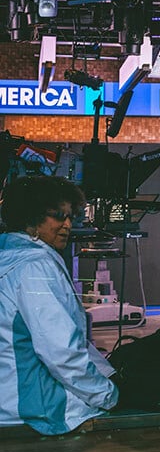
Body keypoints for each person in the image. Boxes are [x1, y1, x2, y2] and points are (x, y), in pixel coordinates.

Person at [0, 175, 119, 435]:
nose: (67, 225)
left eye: (70, 217)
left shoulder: (7, 254)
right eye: (57, 216)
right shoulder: (34, 266)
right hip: (30, 409)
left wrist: (106, 372)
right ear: (30, 218)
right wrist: (107, 395)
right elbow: (60, 350)